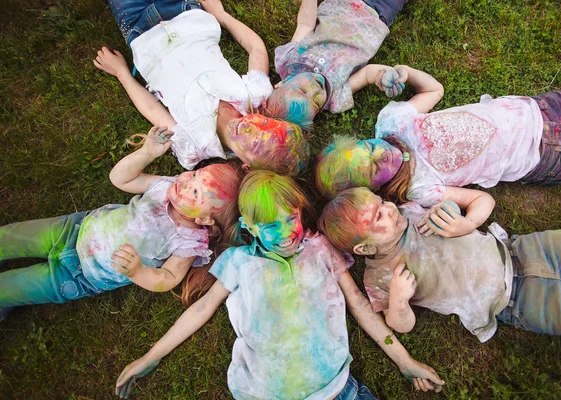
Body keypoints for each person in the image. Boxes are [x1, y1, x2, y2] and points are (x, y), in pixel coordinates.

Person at [114, 171, 445, 399]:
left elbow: (359, 305)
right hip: (263, 392)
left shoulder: (321, 250)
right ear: (250, 227)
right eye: (272, 225)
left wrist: (405, 362)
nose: (287, 231)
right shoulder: (239, 262)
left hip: (338, 390)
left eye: (291, 218)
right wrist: (150, 356)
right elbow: (202, 309)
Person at [315, 64, 561, 236]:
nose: (380, 153)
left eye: (367, 146)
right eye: (373, 167)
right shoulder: (418, 187)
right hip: (546, 155)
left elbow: (433, 91)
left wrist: (408, 73)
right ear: (373, 189)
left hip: (541, 108)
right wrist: (466, 224)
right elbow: (480, 199)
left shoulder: (392, 123)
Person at [0, 126, 242, 319]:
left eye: (196, 193)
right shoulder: (166, 187)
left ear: (203, 219)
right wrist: (147, 152)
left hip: (79, 275)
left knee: (9, 288)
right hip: (73, 230)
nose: (186, 182)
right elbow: (120, 179)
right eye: (196, 174)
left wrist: (138, 272)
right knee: (9, 237)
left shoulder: (188, 242)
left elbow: (168, 278)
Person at [319, 187, 561, 342]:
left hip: (523, 250)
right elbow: (399, 326)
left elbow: (470, 203)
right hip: (514, 301)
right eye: (379, 216)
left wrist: (455, 215)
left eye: (382, 201)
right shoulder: (379, 277)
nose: (390, 208)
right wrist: (399, 301)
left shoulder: (411, 210)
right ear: (365, 248)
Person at [95, 0, 308, 175]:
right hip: (185, 12)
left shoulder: (193, 146)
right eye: (264, 124)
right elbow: (256, 49)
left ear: (247, 166)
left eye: (253, 144)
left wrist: (121, 73)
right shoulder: (255, 95)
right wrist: (221, 15)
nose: (250, 127)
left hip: (141, 33)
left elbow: (152, 110)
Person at [266, 0, 410, 129]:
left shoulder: (288, 61)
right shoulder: (335, 98)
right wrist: (383, 74)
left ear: (283, 82)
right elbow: (366, 75)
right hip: (376, 13)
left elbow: (305, 25)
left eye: (303, 91)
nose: (316, 90)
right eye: (316, 102)